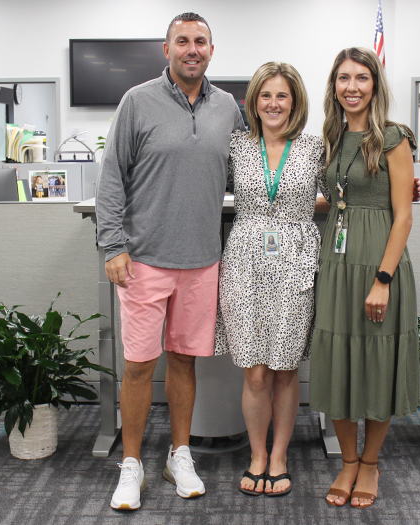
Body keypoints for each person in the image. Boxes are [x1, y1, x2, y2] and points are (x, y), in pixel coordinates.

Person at [96, 12, 244, 511]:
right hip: (144, 260)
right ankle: (131, 465)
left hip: (203, 260)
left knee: (183, 362)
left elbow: (252, 168)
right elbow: (111, 176)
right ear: (167, 49)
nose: (192, 49)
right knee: (139, 366)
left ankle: (180, 455)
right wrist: (112, 245)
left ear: (211, 49)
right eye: (182, 41)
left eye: (200, 41)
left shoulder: (227, 108)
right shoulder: (137, 101)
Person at [309, 47, 420, 509]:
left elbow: (403, 216)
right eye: (342, 78)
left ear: (375, 84)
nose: (351, 87)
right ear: (333, 85)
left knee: (375, 364)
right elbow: (334, 200)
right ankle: (348, 461)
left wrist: (383, 279)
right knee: (337, 360)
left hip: (378, 261)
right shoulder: (330, 138)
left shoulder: (393, 138)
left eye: (361, 78)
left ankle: (370, 464)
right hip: (335, 263)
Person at [215, 62, 329, 497]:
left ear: (294, 101)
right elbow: (200, 183)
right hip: (245, 260)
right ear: (253, 101)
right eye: (266, 95)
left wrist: (399, 187)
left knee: (285, 369)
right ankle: (257, 454)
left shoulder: (314, 147)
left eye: (282, 95)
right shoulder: (237, 147)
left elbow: (343, 191)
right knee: (256, 373)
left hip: (296, 261)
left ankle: (279, 456)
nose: (273, 103)